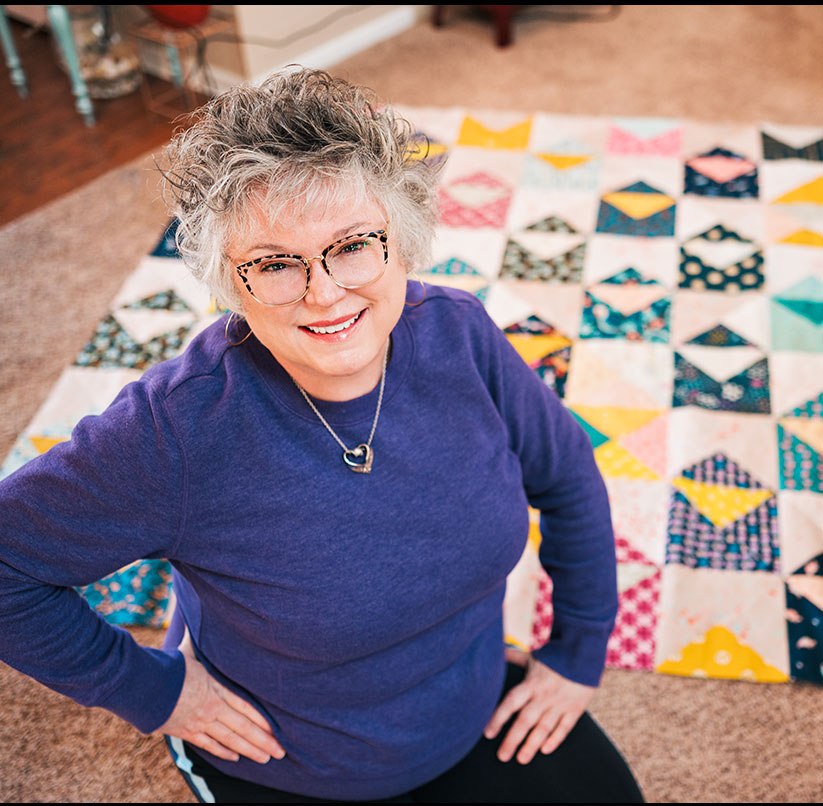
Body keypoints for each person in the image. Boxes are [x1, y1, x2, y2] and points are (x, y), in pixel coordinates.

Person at [0, 68, 643, 803]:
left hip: (472, 711)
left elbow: (566, 478)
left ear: (400, 242)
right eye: (274, 263)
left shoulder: (458, 336)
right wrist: (154, 693)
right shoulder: (175, 430)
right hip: (289, 765)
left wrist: (577, 651)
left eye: (353, 245)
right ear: (228, 284)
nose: (324, 291)